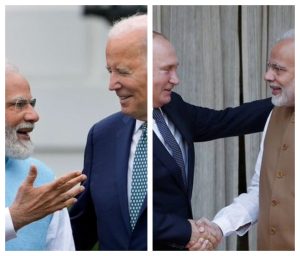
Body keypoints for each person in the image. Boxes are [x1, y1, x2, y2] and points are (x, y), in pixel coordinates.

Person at [152, 31, 274, 250]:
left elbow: (225, 120)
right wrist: (184, 231)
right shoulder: (117, 132)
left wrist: (284, 99)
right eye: (166, 70)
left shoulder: (173, 106)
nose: (176, 79)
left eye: (175, 68)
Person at [193, 29, 295, 251]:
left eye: (278, 69)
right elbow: (262, 191)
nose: (268, 76)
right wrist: (219, 227)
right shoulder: (273, 115)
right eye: (268, 66)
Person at [69, 14, 147, 250]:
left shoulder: (184, 125)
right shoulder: (101, 135)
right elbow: (78, 233)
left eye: (122, 72)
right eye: (109, 71)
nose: (111, 84)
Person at [5, 63, 87, 250]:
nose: (34, 115)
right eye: (19, 104)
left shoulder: (42, 177)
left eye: (31, 104)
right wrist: (14, 219)